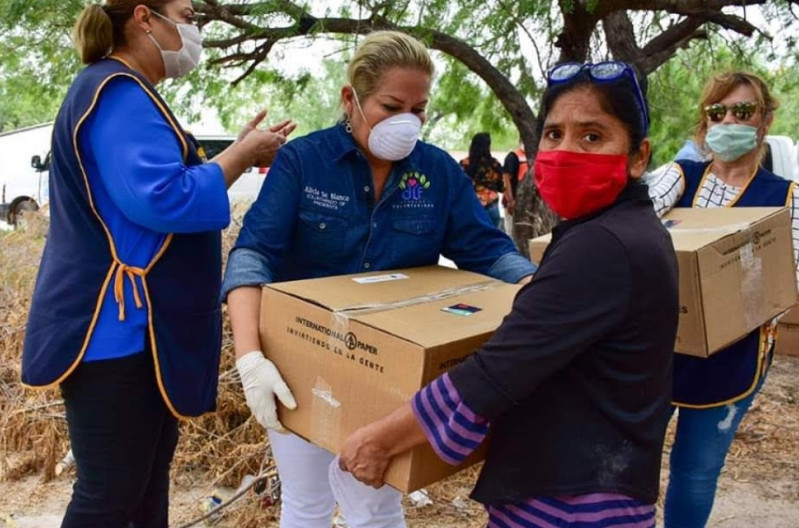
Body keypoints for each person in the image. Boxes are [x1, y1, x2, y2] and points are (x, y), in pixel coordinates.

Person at [337, 61, 678, 527]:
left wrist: (379, 440)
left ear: (638, 157)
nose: (566, 150)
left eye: (592, 136)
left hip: (571, 501)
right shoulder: (629, 230)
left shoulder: (602, 245)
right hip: (600, 478)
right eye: (554, 134)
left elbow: (496, 373)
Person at [222, 31, 536, 528]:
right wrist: (249, 358)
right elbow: (252, 255)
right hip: (301, 364)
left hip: (386, 368)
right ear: (351, 99)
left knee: (377, 504)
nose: (406, 122)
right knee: (306, 503)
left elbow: (488, 250)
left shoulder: (435, 172)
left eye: (419, 109)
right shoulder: (304, 162)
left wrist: (539, 291)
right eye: (391, 107)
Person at [20, 2, 293, 526]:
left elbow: (156, 187)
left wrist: (236, 150)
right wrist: (240, 156)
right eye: (187, 15)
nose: (194, 30)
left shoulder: (123, 91)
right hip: (115, 331)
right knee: (109, 494)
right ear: (145, 18)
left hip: (138, 333)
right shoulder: (118, 93)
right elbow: (164, 199)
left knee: (142, 488)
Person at [646, 71, 799, 528]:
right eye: (718, 112)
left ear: (764, 120)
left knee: (695, 471)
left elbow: (784, 287)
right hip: (659, 347)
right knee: (632, 456)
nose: (729, 120)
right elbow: (637, 222)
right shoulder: (681, 176)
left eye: (743, 111)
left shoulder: (783, 196)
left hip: (731, 356)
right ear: (705, 122)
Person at [460, 132, 511, 228]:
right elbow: (501, 187)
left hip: (472, 207)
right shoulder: (494, 164)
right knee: (492, 236)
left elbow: (459, 186)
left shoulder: (465, 164)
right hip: (492, 206)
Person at [501, 144, 527, 215]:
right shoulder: (513, 157)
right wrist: (510, 201)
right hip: (514, 201)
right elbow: (505, 179)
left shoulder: (536, 156)